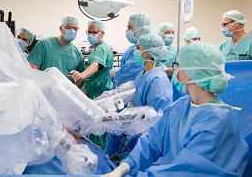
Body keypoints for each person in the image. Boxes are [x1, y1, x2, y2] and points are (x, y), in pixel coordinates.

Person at [103, 42, 249, 177]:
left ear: (192, 72)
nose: (175, 70)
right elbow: (152, 140)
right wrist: (125, 167)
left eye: (178, 65)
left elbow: (185, 170)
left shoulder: (218, 121)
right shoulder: (181, 105)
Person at [105, 34, 173, 165]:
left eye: (138, 48)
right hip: (129, 132)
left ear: (147, 54)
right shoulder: (143, 73)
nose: (135, 52)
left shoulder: (158, 80)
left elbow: (157, 119)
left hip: (142, 139)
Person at [27, 16, 85, 86]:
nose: (72, 31)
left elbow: (81, 81)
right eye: (68, 28)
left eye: (75, 29)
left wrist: (77, 80)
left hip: (66, 93)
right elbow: (32, 71)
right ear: (61, 28)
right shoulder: (44, 44)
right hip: (44, 91)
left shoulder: (78, 53)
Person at [69, 20, 113, 99]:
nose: (90, 35)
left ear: (102, 34)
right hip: (99, 90)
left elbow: (95, 66)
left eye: (94, 33)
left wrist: (81, 75)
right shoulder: (101, 48)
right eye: (88, 32)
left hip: (100, 92)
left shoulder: (101, 48)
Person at [112, 14, 151, 88]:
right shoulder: (133, 48)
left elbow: (125, 77)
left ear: (141, 29)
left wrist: (115, 74)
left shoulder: (142, 51)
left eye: (130, 28)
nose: (127, 31)